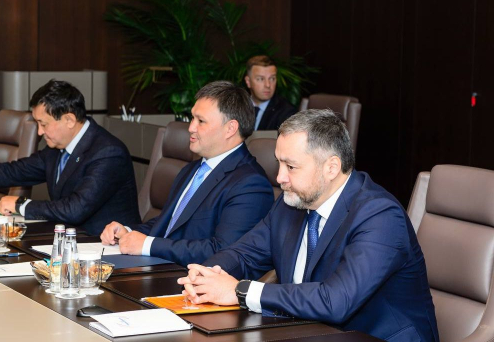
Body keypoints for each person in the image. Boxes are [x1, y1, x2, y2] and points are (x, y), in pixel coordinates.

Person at [178, 109, 439, 341]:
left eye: (291, 167)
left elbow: (336, 301)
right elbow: (243, 254)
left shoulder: (380, 216)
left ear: (331, 168)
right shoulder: (291, 204)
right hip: (307, 331)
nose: (280, 177)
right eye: (279, 163)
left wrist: (240, 291)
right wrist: (206, 277)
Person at [0, 80, 141, 235]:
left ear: (69, 120)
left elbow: (75, 209)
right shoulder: (57, 148)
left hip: (106, 249)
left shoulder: (108, 152)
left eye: (44, 124)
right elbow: (14, 171)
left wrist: (20, 204)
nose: (39, 132)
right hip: (68, 241)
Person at [100, 81, 274, 266]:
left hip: (192, 277)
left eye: (201, 121)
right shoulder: (192, 169)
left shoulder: (250, 184)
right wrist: (128, 232)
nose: (191, 127)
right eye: (192, 119)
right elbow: (169, 223)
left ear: (230, 128)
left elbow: (223, 251)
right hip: (162, 267)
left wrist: (148, 245)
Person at [244, 55, 297, 131]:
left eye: (272, 78)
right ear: (248, 81)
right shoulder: (236, 107)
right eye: (260, 79)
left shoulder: (287, 112)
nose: (268, 85)